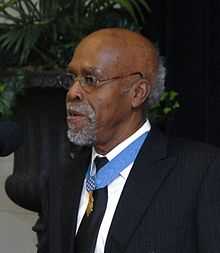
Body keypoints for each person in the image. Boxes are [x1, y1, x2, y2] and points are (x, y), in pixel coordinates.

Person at [34, 28, 220, 253]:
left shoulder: (201, 172)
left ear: (137, 93)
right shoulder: (60, 180)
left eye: (90, 79)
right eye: (72, 78)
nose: (73, 92)